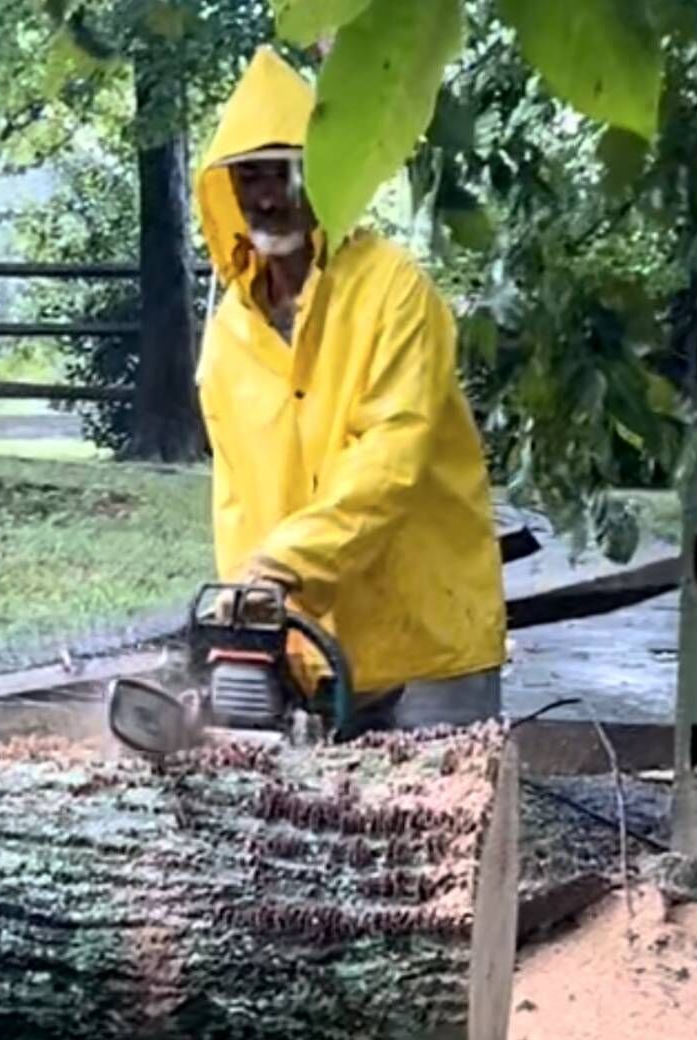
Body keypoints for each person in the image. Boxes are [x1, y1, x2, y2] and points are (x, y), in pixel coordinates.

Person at [192, 46, 507, 733]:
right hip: (307, 647)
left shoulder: (394, 289)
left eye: (284, 172)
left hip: (427, 637)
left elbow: (390, 455)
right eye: (250, 176)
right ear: (227, 191)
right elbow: (238, 498)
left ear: (324, 174)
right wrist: (245, 616)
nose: (267, 195)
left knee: (441, 828)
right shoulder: (228, 336)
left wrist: (281, 567)